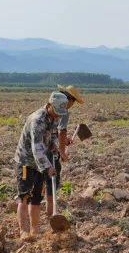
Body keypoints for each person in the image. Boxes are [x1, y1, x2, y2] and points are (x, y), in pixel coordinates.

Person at [14, 92, 69, 239]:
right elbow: (37, 147)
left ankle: (35, 230)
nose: (58, 116)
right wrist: (48, 166)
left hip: (41, 162)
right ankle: (23, 231)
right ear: (49, 105)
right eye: (57, 112)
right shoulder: (37, 120)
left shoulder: (54, 118)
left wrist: (55, 147)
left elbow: (51, 137)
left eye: (60, 114)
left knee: (37, 197)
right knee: (25, 196)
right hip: (27, 161)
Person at [45, 85, 85, 217]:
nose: (72, 105)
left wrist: (65, 140)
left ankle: (42, 206)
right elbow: (61, 131)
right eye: (73, 102)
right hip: (49, 148)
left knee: (42, 176)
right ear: (70, 100)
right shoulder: (64, 111)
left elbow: (55, 131)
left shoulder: (50, 105)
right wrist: (62, 151)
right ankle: (51, 212)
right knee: (53, 176)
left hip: (42, 145)